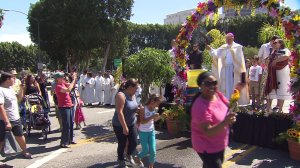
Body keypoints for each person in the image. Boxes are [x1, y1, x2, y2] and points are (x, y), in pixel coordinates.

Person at [191, 71, 238, 168]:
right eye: (207, 84)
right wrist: (226, 122)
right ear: (200, 86)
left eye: (214, 83)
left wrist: (238, 91)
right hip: (207, 147)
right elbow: (207, 131)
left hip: (219, 143)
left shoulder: (218, 95)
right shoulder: (200, 106)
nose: (212, 86)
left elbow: (229, 106)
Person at [206, 33, 249, 105]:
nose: (227, 41)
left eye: (229, 39)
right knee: (224, 85)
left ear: (232, 38)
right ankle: (226, 101)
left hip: (234, 70)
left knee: (233, 85)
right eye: (226, 39)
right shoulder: (223, 47)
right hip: (224, 70)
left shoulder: (237, 47)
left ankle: (233, 101)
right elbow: (216, 54)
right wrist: (210, 49)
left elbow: (240, 61)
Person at [0, 71, 32, 159]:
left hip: (15, 118)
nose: (15, 80)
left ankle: (25, 151)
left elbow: (19, 99)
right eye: (13, 78)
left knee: (20, 136)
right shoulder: (1, 90)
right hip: (4, 120)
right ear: (7, 80)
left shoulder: (10, 89)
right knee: (1, 140)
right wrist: (7, 122)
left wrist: (22, 88)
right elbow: (1, 107)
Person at [111, 79, 139, 168]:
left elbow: (133, 107)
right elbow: (120, 112)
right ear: (130, 87)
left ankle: (128, 154)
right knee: (122, 143)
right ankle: (120, 160)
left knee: (134, 142)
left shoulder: (133, 95)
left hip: (132, 122)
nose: (137, 90)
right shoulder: (121, 95)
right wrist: (124, 127)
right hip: (119, 124)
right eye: (136, 88)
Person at [265, 39, 292, 113]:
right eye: (273, 43)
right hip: (273, 72)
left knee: (281, 89)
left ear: (280, 43)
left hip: (282, 71)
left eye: (275, 43)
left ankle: (280, 110)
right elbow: (269, 60)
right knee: (272, 89)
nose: (274, 44)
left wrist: (276, 61)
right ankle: (268, 109)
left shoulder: (285, 50)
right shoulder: (273, 51)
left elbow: (286, 56)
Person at [135, 94, 162, 168]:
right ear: (152, 101)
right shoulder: (143, 108)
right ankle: (137, 158)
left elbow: (154, 119)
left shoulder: (154, 109)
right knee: (145, 151)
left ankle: (151, 166)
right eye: (157, 103)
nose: (157, 106)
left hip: (151, 131)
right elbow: (143, 121)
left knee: (153, 151)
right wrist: (153, 116)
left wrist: (162, 116)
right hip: (143, 132)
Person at [54, 71, 77, 148]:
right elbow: (68, 89)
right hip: (63, 107)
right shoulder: (58, 86)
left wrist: (73, 78)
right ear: (57, 79)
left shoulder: (63, 83)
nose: (63, 78)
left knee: (70, 123)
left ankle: (70, 139)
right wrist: (73, 80)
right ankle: (63, 142)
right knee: (66, 125)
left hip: (69, 105)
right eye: (61, 77)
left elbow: (72, 86)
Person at [257, 35, 279, 103]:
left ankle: (270, 102)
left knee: (272, 86)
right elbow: (259, 57)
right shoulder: (264, 46)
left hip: (273, 70)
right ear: (271, 40)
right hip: (265, 69)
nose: (275, 43)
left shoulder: (277, 48)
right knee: (263, 85)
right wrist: (263, 67)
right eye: (275, 42)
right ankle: (261, 101)